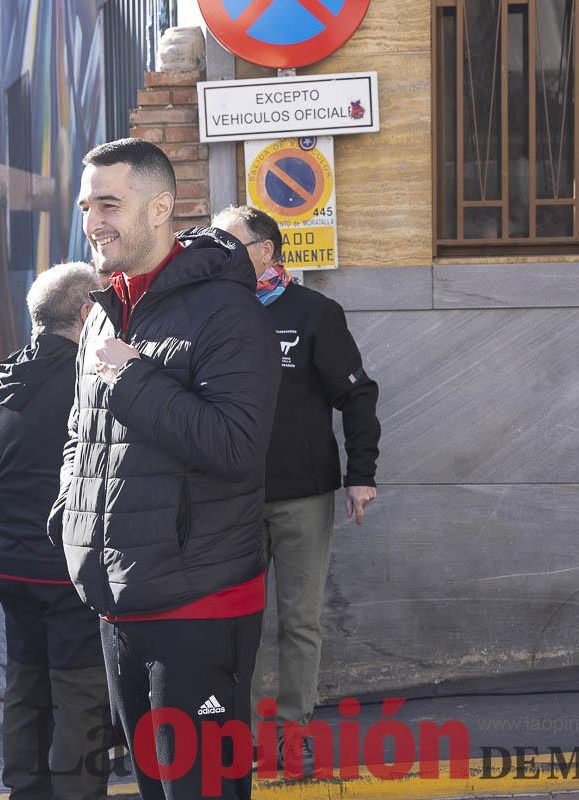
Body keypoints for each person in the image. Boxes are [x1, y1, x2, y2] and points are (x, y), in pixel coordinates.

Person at [50, 138, 280, 800]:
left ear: (161, 209)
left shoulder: (225, 311)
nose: (93, 220)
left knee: (200, 791)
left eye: (110, 204)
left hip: (199, 603)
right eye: (87, 204)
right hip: (119, 600)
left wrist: (130, 376)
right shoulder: (106, 309)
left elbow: (235, 446)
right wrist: (70, 521)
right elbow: (80, 435)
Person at [211, 206, 381, 760]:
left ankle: (293, 730)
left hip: (302, 495)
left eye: (228, 244)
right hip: (230, 496)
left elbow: (357, 395)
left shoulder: (313, 312)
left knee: (300, 618)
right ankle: (246, 734)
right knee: (236, 622)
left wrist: (361, 475)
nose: (218, 253)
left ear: (265, 250)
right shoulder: (212, 314)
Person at [0, 261, 111, 799]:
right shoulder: (88, 379)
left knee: (25, 684)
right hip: (68, 566)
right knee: (79, 694)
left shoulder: (6, 376)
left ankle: (24, 790)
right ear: (87, 313)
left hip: (12, 563)